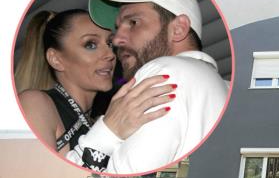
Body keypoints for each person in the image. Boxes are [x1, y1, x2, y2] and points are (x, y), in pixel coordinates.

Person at [67, 0, 229, 174]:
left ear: (178, 29)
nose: (116, 40)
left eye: (133, 22)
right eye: (117, 29)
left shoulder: (164, 71)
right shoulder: (225, 88)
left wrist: (107, 131)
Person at [15, 9, 175, 160]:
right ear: (56, 59)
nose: (110, 54)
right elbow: (33, 175)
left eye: (110, 43)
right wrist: (109, 130)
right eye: (90, 45)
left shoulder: (98, 121)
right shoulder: (35, 103)